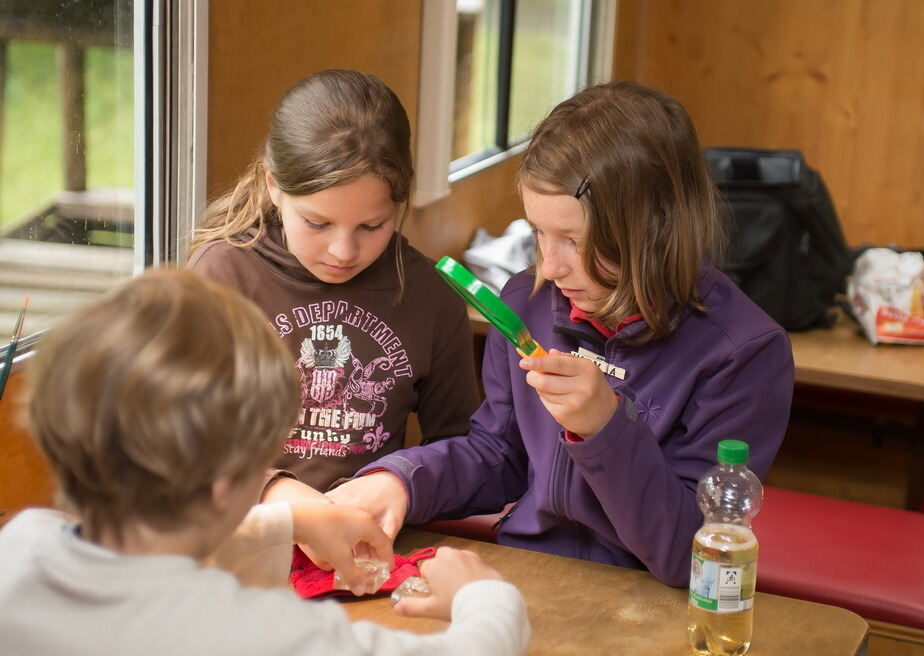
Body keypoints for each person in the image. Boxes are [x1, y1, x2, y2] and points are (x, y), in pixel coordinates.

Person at [328, 80, 795, 587]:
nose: (550, 267)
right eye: (538, 232)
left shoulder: (744, 354)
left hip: (654, 603)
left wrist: (605, 430)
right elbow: (498, 454)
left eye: (574, 240)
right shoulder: (526, 303)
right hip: (529, 576)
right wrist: (402, 481)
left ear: (655, 229)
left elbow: (690, 557)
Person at [0, 270, 529, 656]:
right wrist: (487, 597)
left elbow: (139, 562)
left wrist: (293, 519)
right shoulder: (252, 632)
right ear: (232, 481)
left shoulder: (19, 548)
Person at [187, 69, 480, 505]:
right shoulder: (221, 277)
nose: (343, 251)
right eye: (317, 223)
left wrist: (399, 481)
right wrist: (275, 492)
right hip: (240, 538)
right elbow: (177, 436)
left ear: (400, 203)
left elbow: (466, 450)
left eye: (372, 225)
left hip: (364, 543)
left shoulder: (429, 297)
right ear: (273, 186)